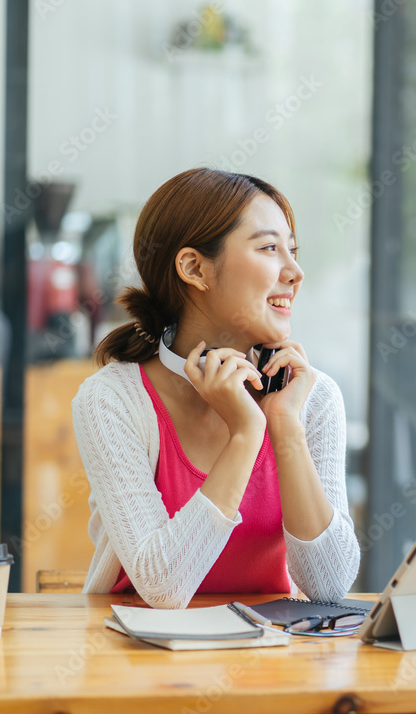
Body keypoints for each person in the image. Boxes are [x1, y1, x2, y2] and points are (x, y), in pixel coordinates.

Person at [72, 168, 361, 609]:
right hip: (136, 658)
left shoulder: (311, 399)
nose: (295, 271)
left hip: (269, 661)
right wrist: (246, 433)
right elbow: (164, 588)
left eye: (293, 250)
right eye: (269, 248)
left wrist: (283, 427)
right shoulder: (111, 400)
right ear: (194, 268)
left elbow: (329, 585)